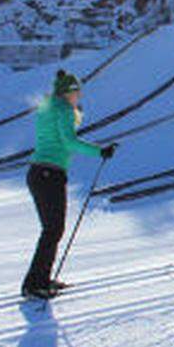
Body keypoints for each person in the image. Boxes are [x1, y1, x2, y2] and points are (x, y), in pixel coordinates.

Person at [21, 70, 117, 300]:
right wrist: (100, 151)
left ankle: (39, 279)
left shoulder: (50, 107)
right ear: (67, 92)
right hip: (49, 173)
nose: (79, 96)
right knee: (53, 230)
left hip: (39, 172)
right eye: (76, 92)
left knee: (51, 229)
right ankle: (35, 284)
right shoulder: (63, 109)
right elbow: (69, 141)